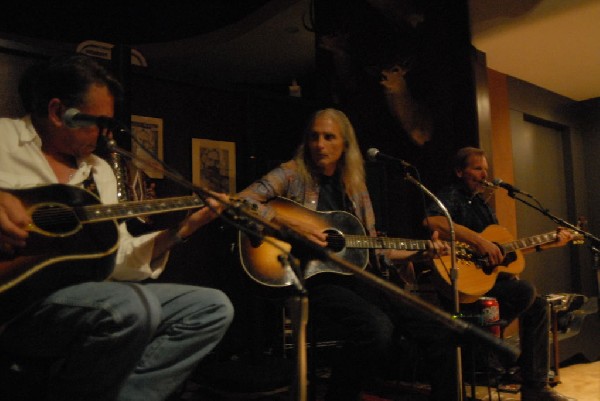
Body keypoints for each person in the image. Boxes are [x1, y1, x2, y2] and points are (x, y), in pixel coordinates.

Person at [0, 54, 234, 401]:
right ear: (56, 111)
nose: (106, 134)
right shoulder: (3, 138)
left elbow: (118, 260)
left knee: (212, 307)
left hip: (86, 297)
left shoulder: (100, 172)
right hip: (16, 303)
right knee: (131, 307)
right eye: (99, 122)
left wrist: (182, 230)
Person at [238, 108, 456, 401]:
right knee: (377, 330)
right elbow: (241, 201)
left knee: (439, 326)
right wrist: (292, 226)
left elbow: (374, 248)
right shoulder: (292, 173)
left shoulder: (356, 187)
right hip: (314, 278)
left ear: (345, 145)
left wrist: (421, 253)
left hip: (360, 278)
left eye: (329, 137)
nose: (320, 144)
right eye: (314, 137)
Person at [422, 147, 577, 401]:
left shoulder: (483, 206)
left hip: (485, 287)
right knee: (525, 290)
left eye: (485, 169)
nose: (484, 174)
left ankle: (534, 386)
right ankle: (493, 350)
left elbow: (502, 253)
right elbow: (432, 221)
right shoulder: (451, 195)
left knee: (538, 305)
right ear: (460, 171)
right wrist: (478, 242)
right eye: (477, 168)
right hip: (462, 294)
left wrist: (548, 242)